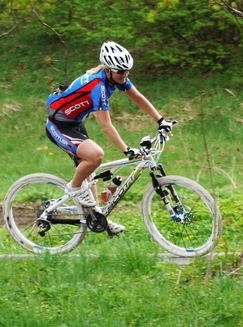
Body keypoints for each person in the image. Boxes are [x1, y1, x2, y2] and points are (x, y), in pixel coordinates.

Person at [45, 41, 174, 235]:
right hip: (58, 126)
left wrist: (161, 120)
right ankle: (74, 187)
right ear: (108, 70)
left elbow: (138, 97)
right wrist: (126, 149)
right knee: (96, 155)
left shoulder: (116, 78)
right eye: (121, 72)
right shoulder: (98, 86)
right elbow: (106, 125)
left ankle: (97, 217)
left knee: (91, 172)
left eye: (127, 71)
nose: (125, 75)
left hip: (74, 123)